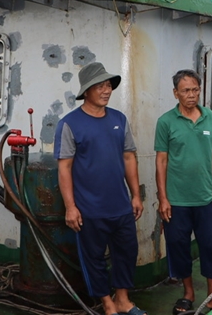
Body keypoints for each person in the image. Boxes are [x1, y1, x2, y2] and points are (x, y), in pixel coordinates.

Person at [54, 62, 146, 315]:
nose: (106, 90)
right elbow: (65, 168)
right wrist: (71, 207)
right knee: (93, 258)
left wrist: (136, 195)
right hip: (89, 208)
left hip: (121, 205)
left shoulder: (119, 119)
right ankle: (108, 305)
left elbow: (129, 157)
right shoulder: (69, 124)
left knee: (126, 252)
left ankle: (123, 300)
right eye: (100, 86)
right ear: (87, 91)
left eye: (108, 85)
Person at [155, 69, 212, 314]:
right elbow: (161, 161)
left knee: (210, 245)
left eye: (195, 89)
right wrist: (163, 198)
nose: (191, 95)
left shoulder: (209, 116)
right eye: (186, 90)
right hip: (176, 200)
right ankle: (188, 293)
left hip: (205, 197)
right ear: (176, 93)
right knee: (178, 245)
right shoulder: (165, 122)